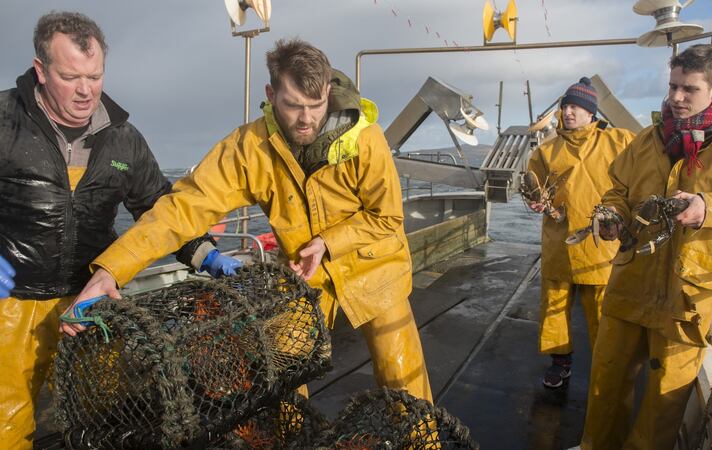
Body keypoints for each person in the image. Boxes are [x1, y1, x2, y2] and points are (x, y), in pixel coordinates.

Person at [64, 38, 433, 403]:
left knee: (402, 376)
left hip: (376, 267)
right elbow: (182, 209)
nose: (306, 118)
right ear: (271, 95)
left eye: (316, 105)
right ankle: (293, 435)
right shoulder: (248, 147)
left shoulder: (366, 138)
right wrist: (110, 271)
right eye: (293, 105)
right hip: (305, 275)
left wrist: (328, 243)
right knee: (284, 370)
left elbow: (386, 217)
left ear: (327, 93)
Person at [0, 12, 238, 447]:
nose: (86, 89)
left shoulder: (123, 138)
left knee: (109, 415)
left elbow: (159, 209)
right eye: (70, 76)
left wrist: (206, 254)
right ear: (40, 70)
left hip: (92, 302)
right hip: (11, 308)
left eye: (95, 75)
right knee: (5, 424)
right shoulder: (4, 121)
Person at [580, 44, 712, 449]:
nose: (676, 98)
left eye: (689, 89)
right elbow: (618, 191)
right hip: (631, 281)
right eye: (673, 86)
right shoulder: (649, 139)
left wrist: (710, 207)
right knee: (604, 383)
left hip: (688, 295)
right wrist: (611, 216)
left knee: (664, 401)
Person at [526, 78, 635, 388]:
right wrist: (536, 201)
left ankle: (607, 362)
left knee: (602, 308)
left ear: (591, 112)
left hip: (599, 242)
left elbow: (646, 162)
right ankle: (560, 362)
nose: (568, 112)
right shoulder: (547, 150)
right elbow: (533, 185)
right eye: (565, 106)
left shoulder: (618, 140)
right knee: (554, 307)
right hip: (558, 239)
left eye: (575, 106)